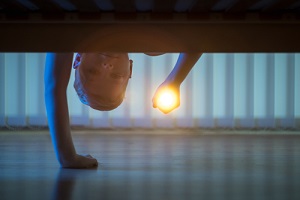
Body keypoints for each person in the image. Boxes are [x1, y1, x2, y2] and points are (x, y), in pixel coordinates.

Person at [44, 52, 201, 168]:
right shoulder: (152, 44)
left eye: (93, 71)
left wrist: (67, 157)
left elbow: (54, 85)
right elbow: (198, 36)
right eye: (116, 75)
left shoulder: (71, 30)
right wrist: (174, 80)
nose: (106, 67)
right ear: (130, 69)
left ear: (78, 59)